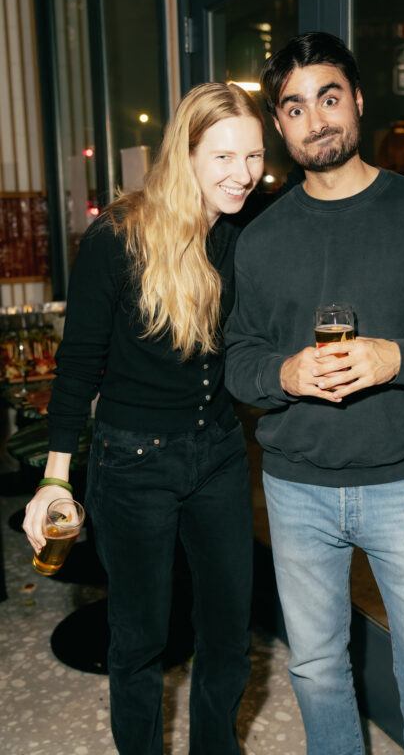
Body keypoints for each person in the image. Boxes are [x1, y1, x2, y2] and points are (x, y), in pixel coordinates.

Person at [225, 32, 404, 755]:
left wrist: (396, 357)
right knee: (316, 672)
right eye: (294, 107)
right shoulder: (259, 239)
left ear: (358, 100)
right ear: (280, 125)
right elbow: (238, 358)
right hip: (294, 490)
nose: (316, 120)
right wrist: (283, 375)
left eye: (329, 96)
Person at [22, 82, 265, 755]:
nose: (242, 174)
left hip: (216, 453)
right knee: (138, 641)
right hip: (132, 463)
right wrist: (55, 476)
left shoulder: (240, 233)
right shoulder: (118, 237)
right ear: (185, 154)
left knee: (227, 634)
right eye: (223, 157)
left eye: (253, 156)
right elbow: (78, 366)